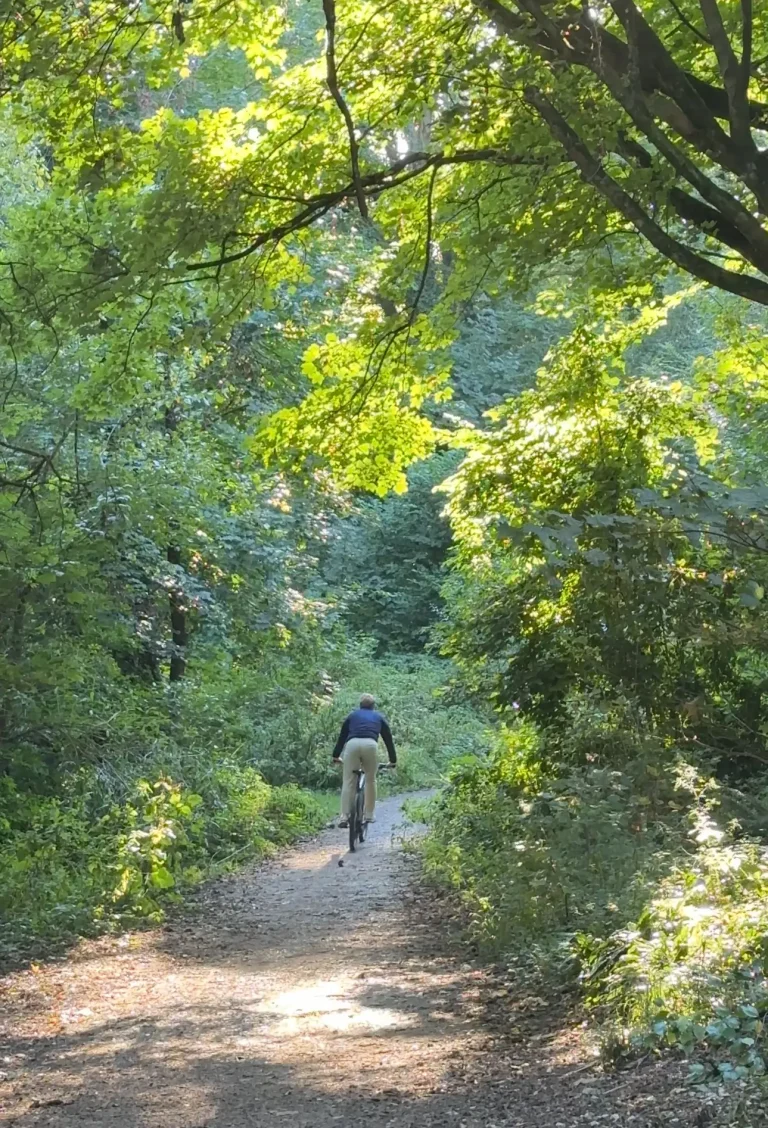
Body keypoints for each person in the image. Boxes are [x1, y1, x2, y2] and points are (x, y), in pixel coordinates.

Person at [332, 693, 396, 826]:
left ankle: (344, 817)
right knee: (370, 779)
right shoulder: (379, 717)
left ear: (360, 705)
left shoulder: (352, 716)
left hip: (352, 744)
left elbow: (342, 737)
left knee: (348, 780)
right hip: (370, 745)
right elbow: (388, 739)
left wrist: (336, 755)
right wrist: (392, 760)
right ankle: (369, 815)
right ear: (373, 706)